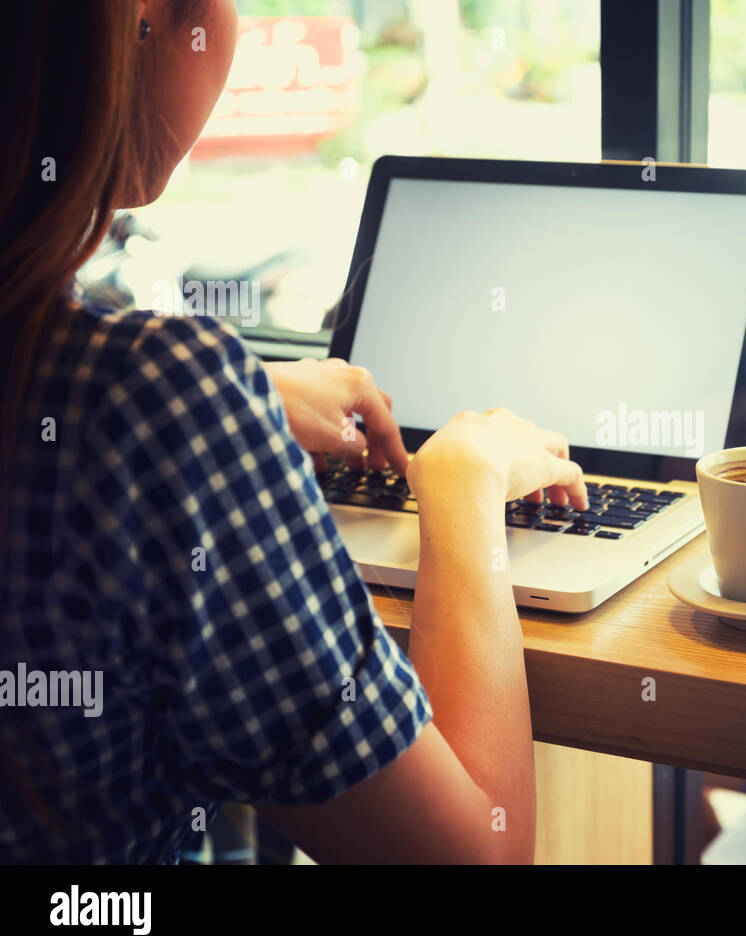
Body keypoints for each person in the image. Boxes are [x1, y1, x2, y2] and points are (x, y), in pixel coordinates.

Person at [0, 0, 587, 863]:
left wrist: (245, 399)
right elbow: (477, 855)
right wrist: (461, 482)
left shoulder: (121, 398)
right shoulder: (157, 403)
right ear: (143, 22)